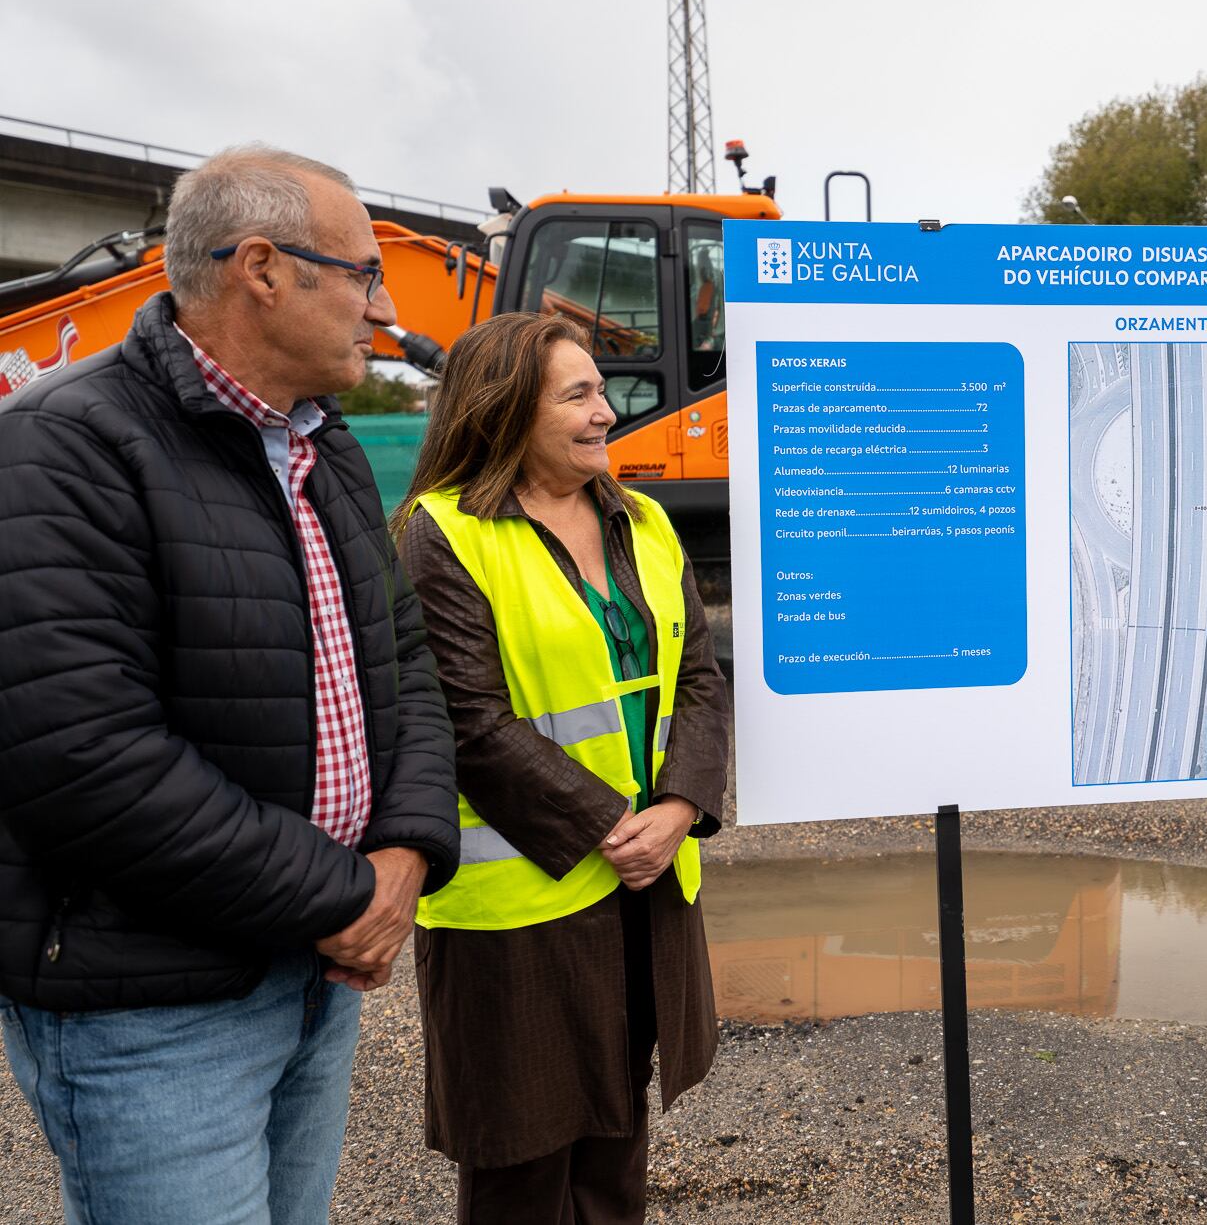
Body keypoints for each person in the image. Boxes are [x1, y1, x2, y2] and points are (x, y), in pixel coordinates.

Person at [0, 145, 459, 1223]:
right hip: (152, 1008)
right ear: (263, 267)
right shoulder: (64, 447)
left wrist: (404, 853)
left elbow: (405, 668)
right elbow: (81, 755)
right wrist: (345, 896)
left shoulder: (324, 448)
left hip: (315, 977)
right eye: (362, 273)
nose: (383, 307)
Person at [391, 312, 730, 1224]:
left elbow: (699, 678)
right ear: (506, 410)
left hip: (642, 887)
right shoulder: (444, 533)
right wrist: (613, 826)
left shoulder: (643, 519)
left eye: (602, 391)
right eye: (578, 394)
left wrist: (682, 806)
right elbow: (469, 720)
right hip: (519, 911)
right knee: (523, 1167)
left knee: (615, 1158)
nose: (606, 412)